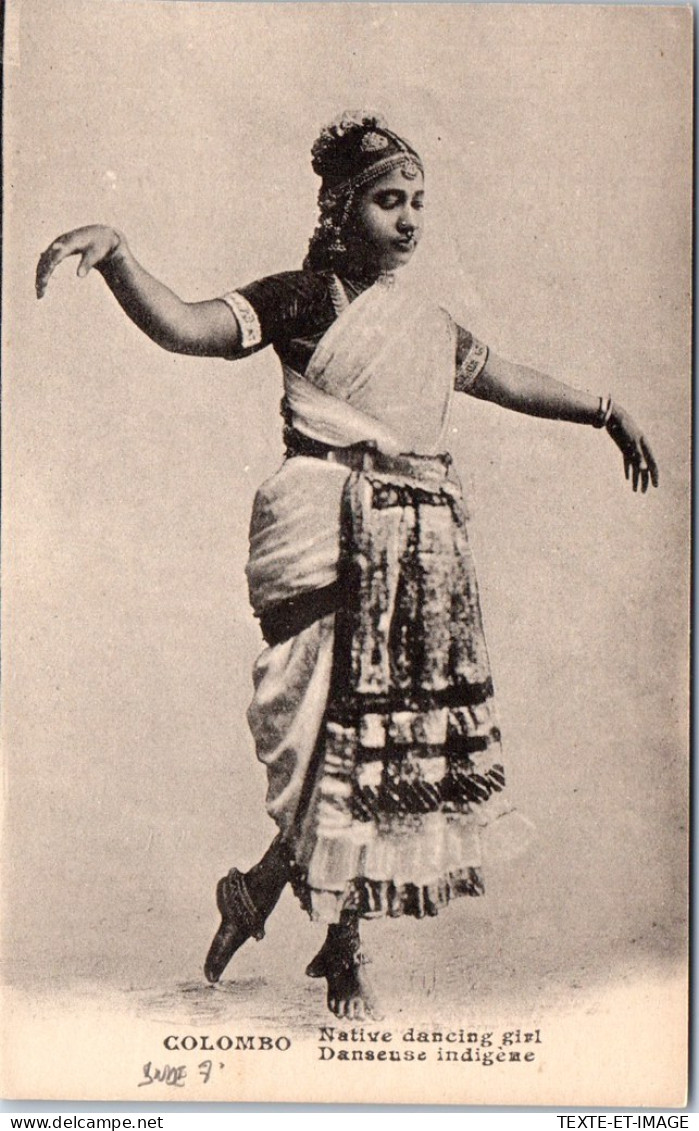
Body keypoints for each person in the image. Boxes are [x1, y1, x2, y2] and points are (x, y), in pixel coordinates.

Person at [36, 111, 658, 1021]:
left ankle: (298, 916)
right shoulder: (301, 297)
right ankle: (325, 933)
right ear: (340, 210)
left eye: (417, 202)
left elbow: (511, 380)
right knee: (331, 734)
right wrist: (121, 255)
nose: (407, 221)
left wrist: (604, 409)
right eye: (386, 202)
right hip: (321, 526)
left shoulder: (428, 325)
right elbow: (192, 328)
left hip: (418, 545)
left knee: (376, 746)